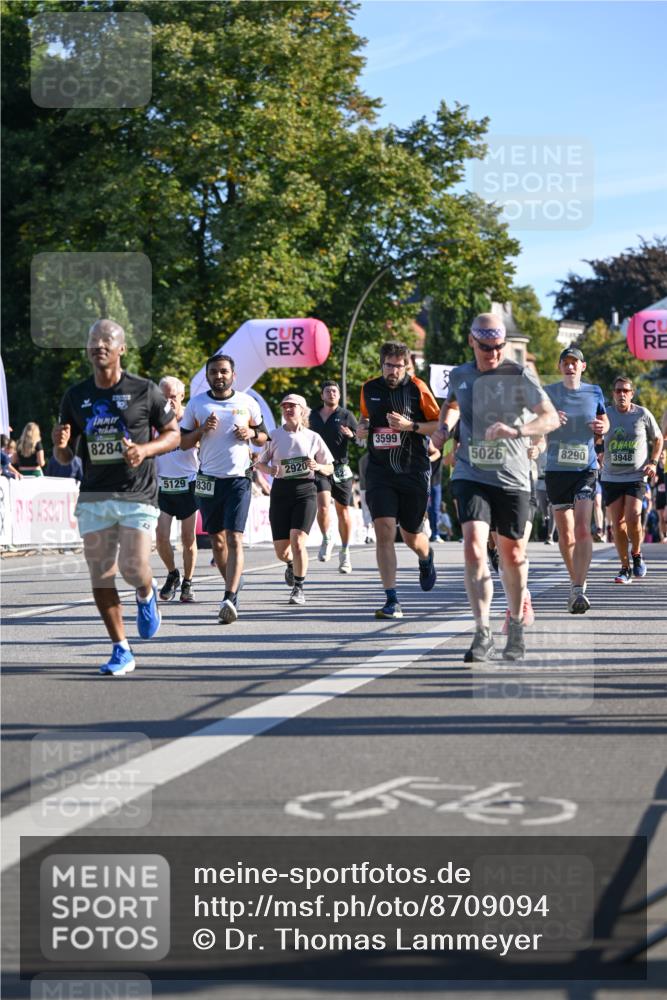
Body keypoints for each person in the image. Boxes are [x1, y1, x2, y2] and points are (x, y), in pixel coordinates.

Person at [52, 319, 180, 676]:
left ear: (122, 348)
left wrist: (145, 449)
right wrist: (59, 446)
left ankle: (146, 590)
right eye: (93, 340)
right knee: (101, 573)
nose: (99, 345)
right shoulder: (75, 396)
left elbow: (173, 434)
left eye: (107, 340)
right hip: (94, 493)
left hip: (136, 491)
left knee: (132, 568)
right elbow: (67, 457)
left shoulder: (144, 390)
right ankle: (121, 649)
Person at [432, 314, 559, 662]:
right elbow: (452, 404)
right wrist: (443, 429)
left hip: (514, 476)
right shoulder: (460, 374)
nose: (494, 353)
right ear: (472, 341)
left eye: (500, 347)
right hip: (471, 472)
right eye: (487, 347)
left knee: (513, 554)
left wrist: (517, 431)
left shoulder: (519, 375)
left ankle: (515, 624)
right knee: (473, 547)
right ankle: (481, 631)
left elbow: (548, 416)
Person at [180, 353, 268, 624]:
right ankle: (232, 584)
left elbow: (264, 437)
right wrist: (201, 430)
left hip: (238, 480)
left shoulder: (247, 402)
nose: (219, 376)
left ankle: (229, 596)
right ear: (207, 375)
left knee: (234, 538)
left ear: (233, 375)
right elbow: (183, 443)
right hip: (207, 479)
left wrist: (251, 434)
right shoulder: (197, 404)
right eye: (214, 372)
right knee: (217, 542)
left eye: (223, 371)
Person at [357, 341, 441, 619]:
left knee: (411, 535)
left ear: (407, 365)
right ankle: (392, 599)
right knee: (383, 529)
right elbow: (366, 418)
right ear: (381, 365)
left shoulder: (418, 388)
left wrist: (410, 426)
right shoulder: (369, 388)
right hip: (380, 471)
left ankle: (426, 557)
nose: (393, 370)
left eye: (398, 365)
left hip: (413, 470)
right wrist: (362, 428)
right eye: (389, 365)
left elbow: (438, 425)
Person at [543, 346, 609, 614]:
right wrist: (548, 420)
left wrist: (603, 428)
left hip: (585, 468)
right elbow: (536, 421)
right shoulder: (548, 392)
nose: (570, 366)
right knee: (566, 532)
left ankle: (579, 588)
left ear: (583, 366)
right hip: (557, 470)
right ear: (560, 367)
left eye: (575, 362)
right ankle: (575, 581)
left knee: (583, 528)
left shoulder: (594, 392)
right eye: (565, 362)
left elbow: (604, 420)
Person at [255, 394, 333, 605]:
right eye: (285, 406)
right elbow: (259, 463)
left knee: (298, 541)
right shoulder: (273, 435)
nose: (288, 409)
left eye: (292, 406)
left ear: (302, 410)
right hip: (281, 491)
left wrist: (318, 467)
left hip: (305, 490)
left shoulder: (313, 437)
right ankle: (290, 564)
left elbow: (330, 466)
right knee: (282, 551)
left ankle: (298, 588)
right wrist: (270, 469)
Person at [599, 376, 663, 583]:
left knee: (634, 517)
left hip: (636, 475)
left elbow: (659, 438)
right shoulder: (606, 414)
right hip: (611, 476)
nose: (621, 394)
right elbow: (594, 436)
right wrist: (598, 451)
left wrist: (653, 462)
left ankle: (636, 554)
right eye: (618, 391)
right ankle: (624, 567)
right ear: (613, 394)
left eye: (625, 391)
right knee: (617, 525)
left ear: (632, 394)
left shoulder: (642, 414)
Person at [155, 376, 200, 603]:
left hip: (188, 484)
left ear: (182, 397)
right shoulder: (154, 422)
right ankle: (173, 573)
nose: (169, 401)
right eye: (164, 396)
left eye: (173, 396)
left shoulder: (191, 420)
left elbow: (204, 445)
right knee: (161, 537)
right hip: (164, 485)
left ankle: (188, 582)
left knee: (187, 538)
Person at [309, 380, 358, 573]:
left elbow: (361, 440)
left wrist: (352, 436)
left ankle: (345, 552)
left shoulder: (346, 415)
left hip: (340, 468)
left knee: (343, 510)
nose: (331, 394)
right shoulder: (312, 415)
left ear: (339, 395)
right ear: (322, 395)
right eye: (327, 391)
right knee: (322, 506)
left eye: (334, 391)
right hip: (320, 467)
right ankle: (327, 538)